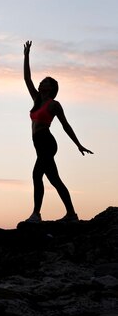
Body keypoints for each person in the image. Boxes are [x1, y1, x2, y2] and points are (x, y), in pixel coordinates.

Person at [23, 40, 93, 223]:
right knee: (53, 179)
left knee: (38, 175)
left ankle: (36, 214)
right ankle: (71, 214)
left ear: (51, 88)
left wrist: (78, 144)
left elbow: (65, 125)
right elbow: (27, 79)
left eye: (45, 81)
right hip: (39, 143)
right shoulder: (37, 100)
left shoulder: (54, 105)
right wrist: (26, 56)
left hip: (47, 142)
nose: (41, 82)